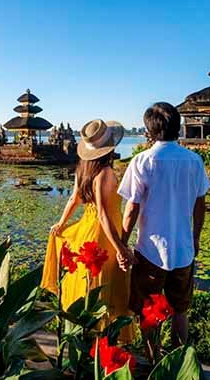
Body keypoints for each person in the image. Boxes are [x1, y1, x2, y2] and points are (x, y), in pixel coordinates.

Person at [117, 102, 210, 357]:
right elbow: (200, 204)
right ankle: (180, 361)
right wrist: (195, 237)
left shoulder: (142, 161)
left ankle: (152, 357)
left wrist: (122, 243)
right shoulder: (194, 161)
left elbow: (131, 208)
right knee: (180, 310)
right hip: (183, 250)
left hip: (150, 251)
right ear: (178, 127)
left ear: (149, 131)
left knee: (148, 308)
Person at [41, 118, 133, 341]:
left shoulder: (82, 170)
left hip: (86, 229)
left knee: (87, 280)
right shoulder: (106, 173)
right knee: (105, 282)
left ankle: (83, 331)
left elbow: (74, 199)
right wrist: (120, 247)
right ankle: (102, 337)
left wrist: (62, 224)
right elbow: (103, 213)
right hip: (103, 233)